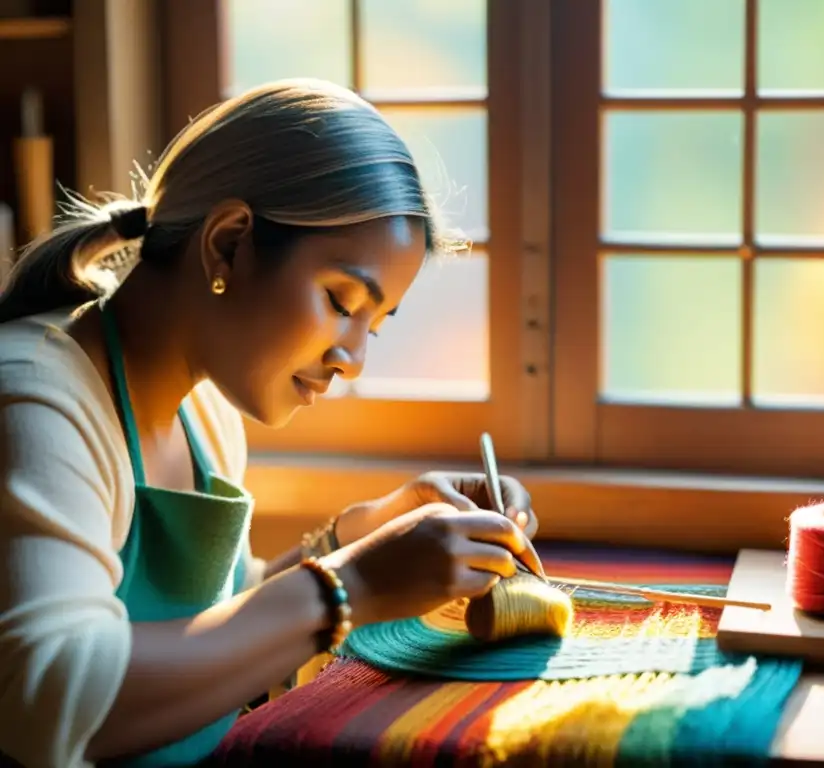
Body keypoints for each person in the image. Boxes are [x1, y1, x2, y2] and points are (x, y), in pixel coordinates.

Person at [0, 79, 544, 768]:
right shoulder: (36, 401)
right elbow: (49, 699)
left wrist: (365, 532)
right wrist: (354, 585)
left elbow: (211, 630)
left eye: (374, 325)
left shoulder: (206, 409)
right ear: (229, 245)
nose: (352, 360)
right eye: (341, 300)